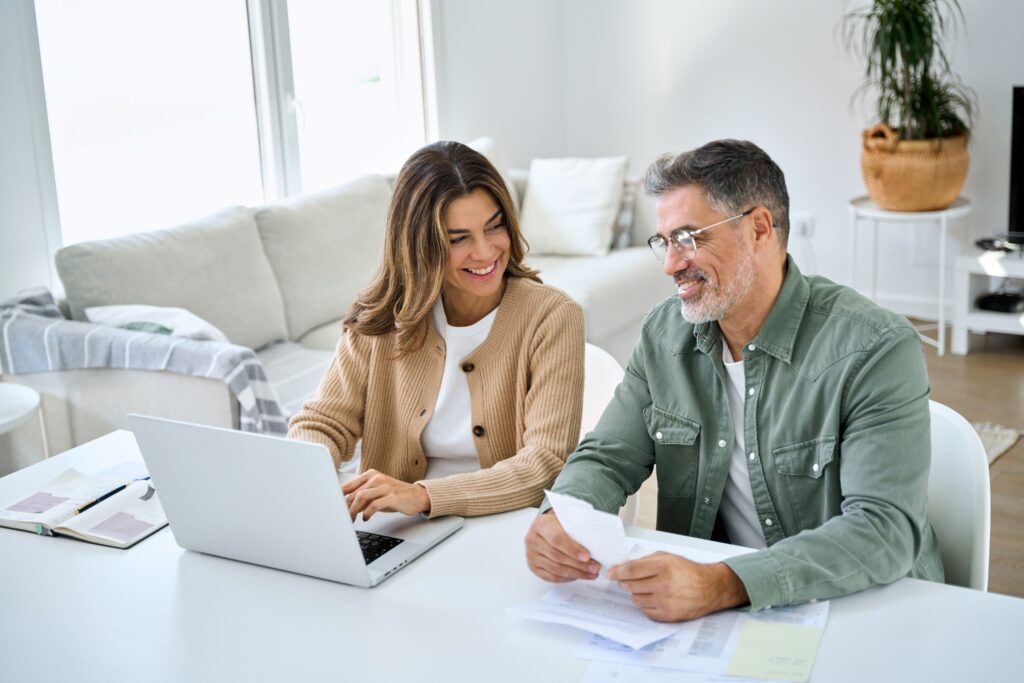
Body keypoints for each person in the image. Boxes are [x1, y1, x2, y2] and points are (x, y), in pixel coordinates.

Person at [524, 139, 944, 621]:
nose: (670, 264)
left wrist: (725, 583)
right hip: (726, 617)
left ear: (759, 228)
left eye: (688, 238)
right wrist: (562, 516)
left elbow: (882, 529)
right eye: (664, 242)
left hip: (866, 609)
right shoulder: (664, 335)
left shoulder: (875, 347)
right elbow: (610, 456)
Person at [289, 141, 585, 521]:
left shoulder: (553, 318)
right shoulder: (380, 320)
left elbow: (543, 464)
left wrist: (423, 496)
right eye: (458, 238)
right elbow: (321, 424)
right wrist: (313, 477)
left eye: (494, 226)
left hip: (501, 526)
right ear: (419, 246)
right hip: (395, 529)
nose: (485, 252)